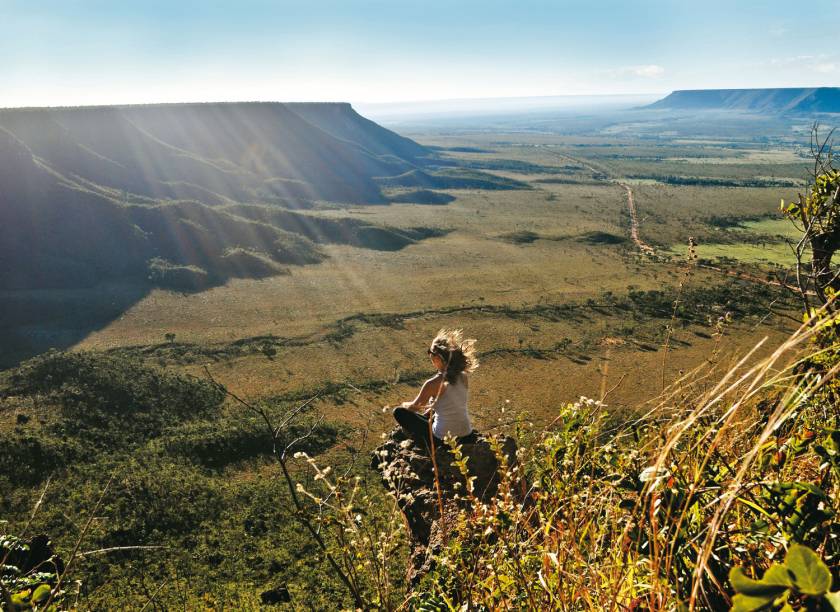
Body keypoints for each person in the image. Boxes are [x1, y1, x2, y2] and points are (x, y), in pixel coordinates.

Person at [393, 328, 478, 451]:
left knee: (399, 412)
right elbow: (449, 404)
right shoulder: (463, 376)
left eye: (430, 353)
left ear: (438, 358)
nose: (430, 356)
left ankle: (424, 446)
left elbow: (415, 407)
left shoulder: (432, 383)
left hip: (444, 440)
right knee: (430, 415)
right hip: (467, 436)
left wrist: (405, 404)